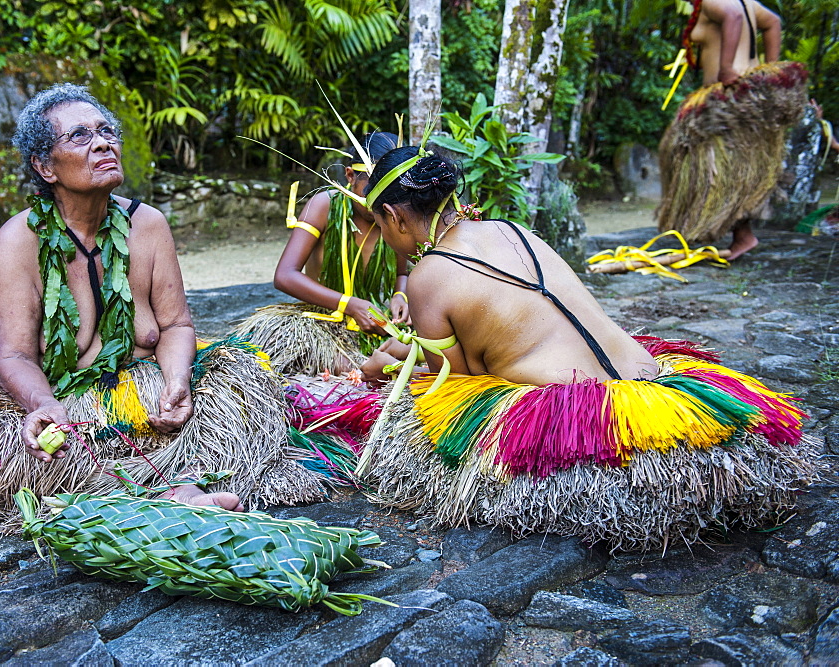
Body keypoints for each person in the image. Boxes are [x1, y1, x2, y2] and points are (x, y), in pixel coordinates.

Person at [0, 84, 331, 532]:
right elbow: (14, 355)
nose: (103, 142)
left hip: (145, 397)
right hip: (62, 401)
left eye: (106, 131)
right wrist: (42, 404)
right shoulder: (18, 240)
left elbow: (175, 325)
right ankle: (164, 489)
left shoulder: (147, 225)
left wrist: (176, 382)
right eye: (80, 136)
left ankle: (160, 488)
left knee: (245, 393)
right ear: (44, 166)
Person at [357, 147, 819, 551]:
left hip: (588, 415)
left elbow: (454, 383)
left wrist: (393, 356)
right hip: (657, 384)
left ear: (395, 217)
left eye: (380, 224)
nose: (384, 236)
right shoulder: (510, 228)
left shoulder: (427, 275)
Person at [235, 132, 409, 376]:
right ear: (350, 176)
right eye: (371, 187)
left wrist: (401, 296)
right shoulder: (324, 205)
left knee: (416, 350)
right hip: (322, 320)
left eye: (388, 190)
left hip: (375, 321)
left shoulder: (393, 215)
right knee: (344, 367)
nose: (378, 199)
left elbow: (402, 273)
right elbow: (285, 275)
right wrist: (350, 305)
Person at [657, 0, 807, 260]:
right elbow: (773, 22)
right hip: (745, 95)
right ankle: (732, 234)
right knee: (733, 167)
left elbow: (733, 16)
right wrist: (768, 73)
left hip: (725, 99)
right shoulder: (747, 2)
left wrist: (726, 68)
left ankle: (738, 235)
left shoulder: (716, 2)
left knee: (707, 165)